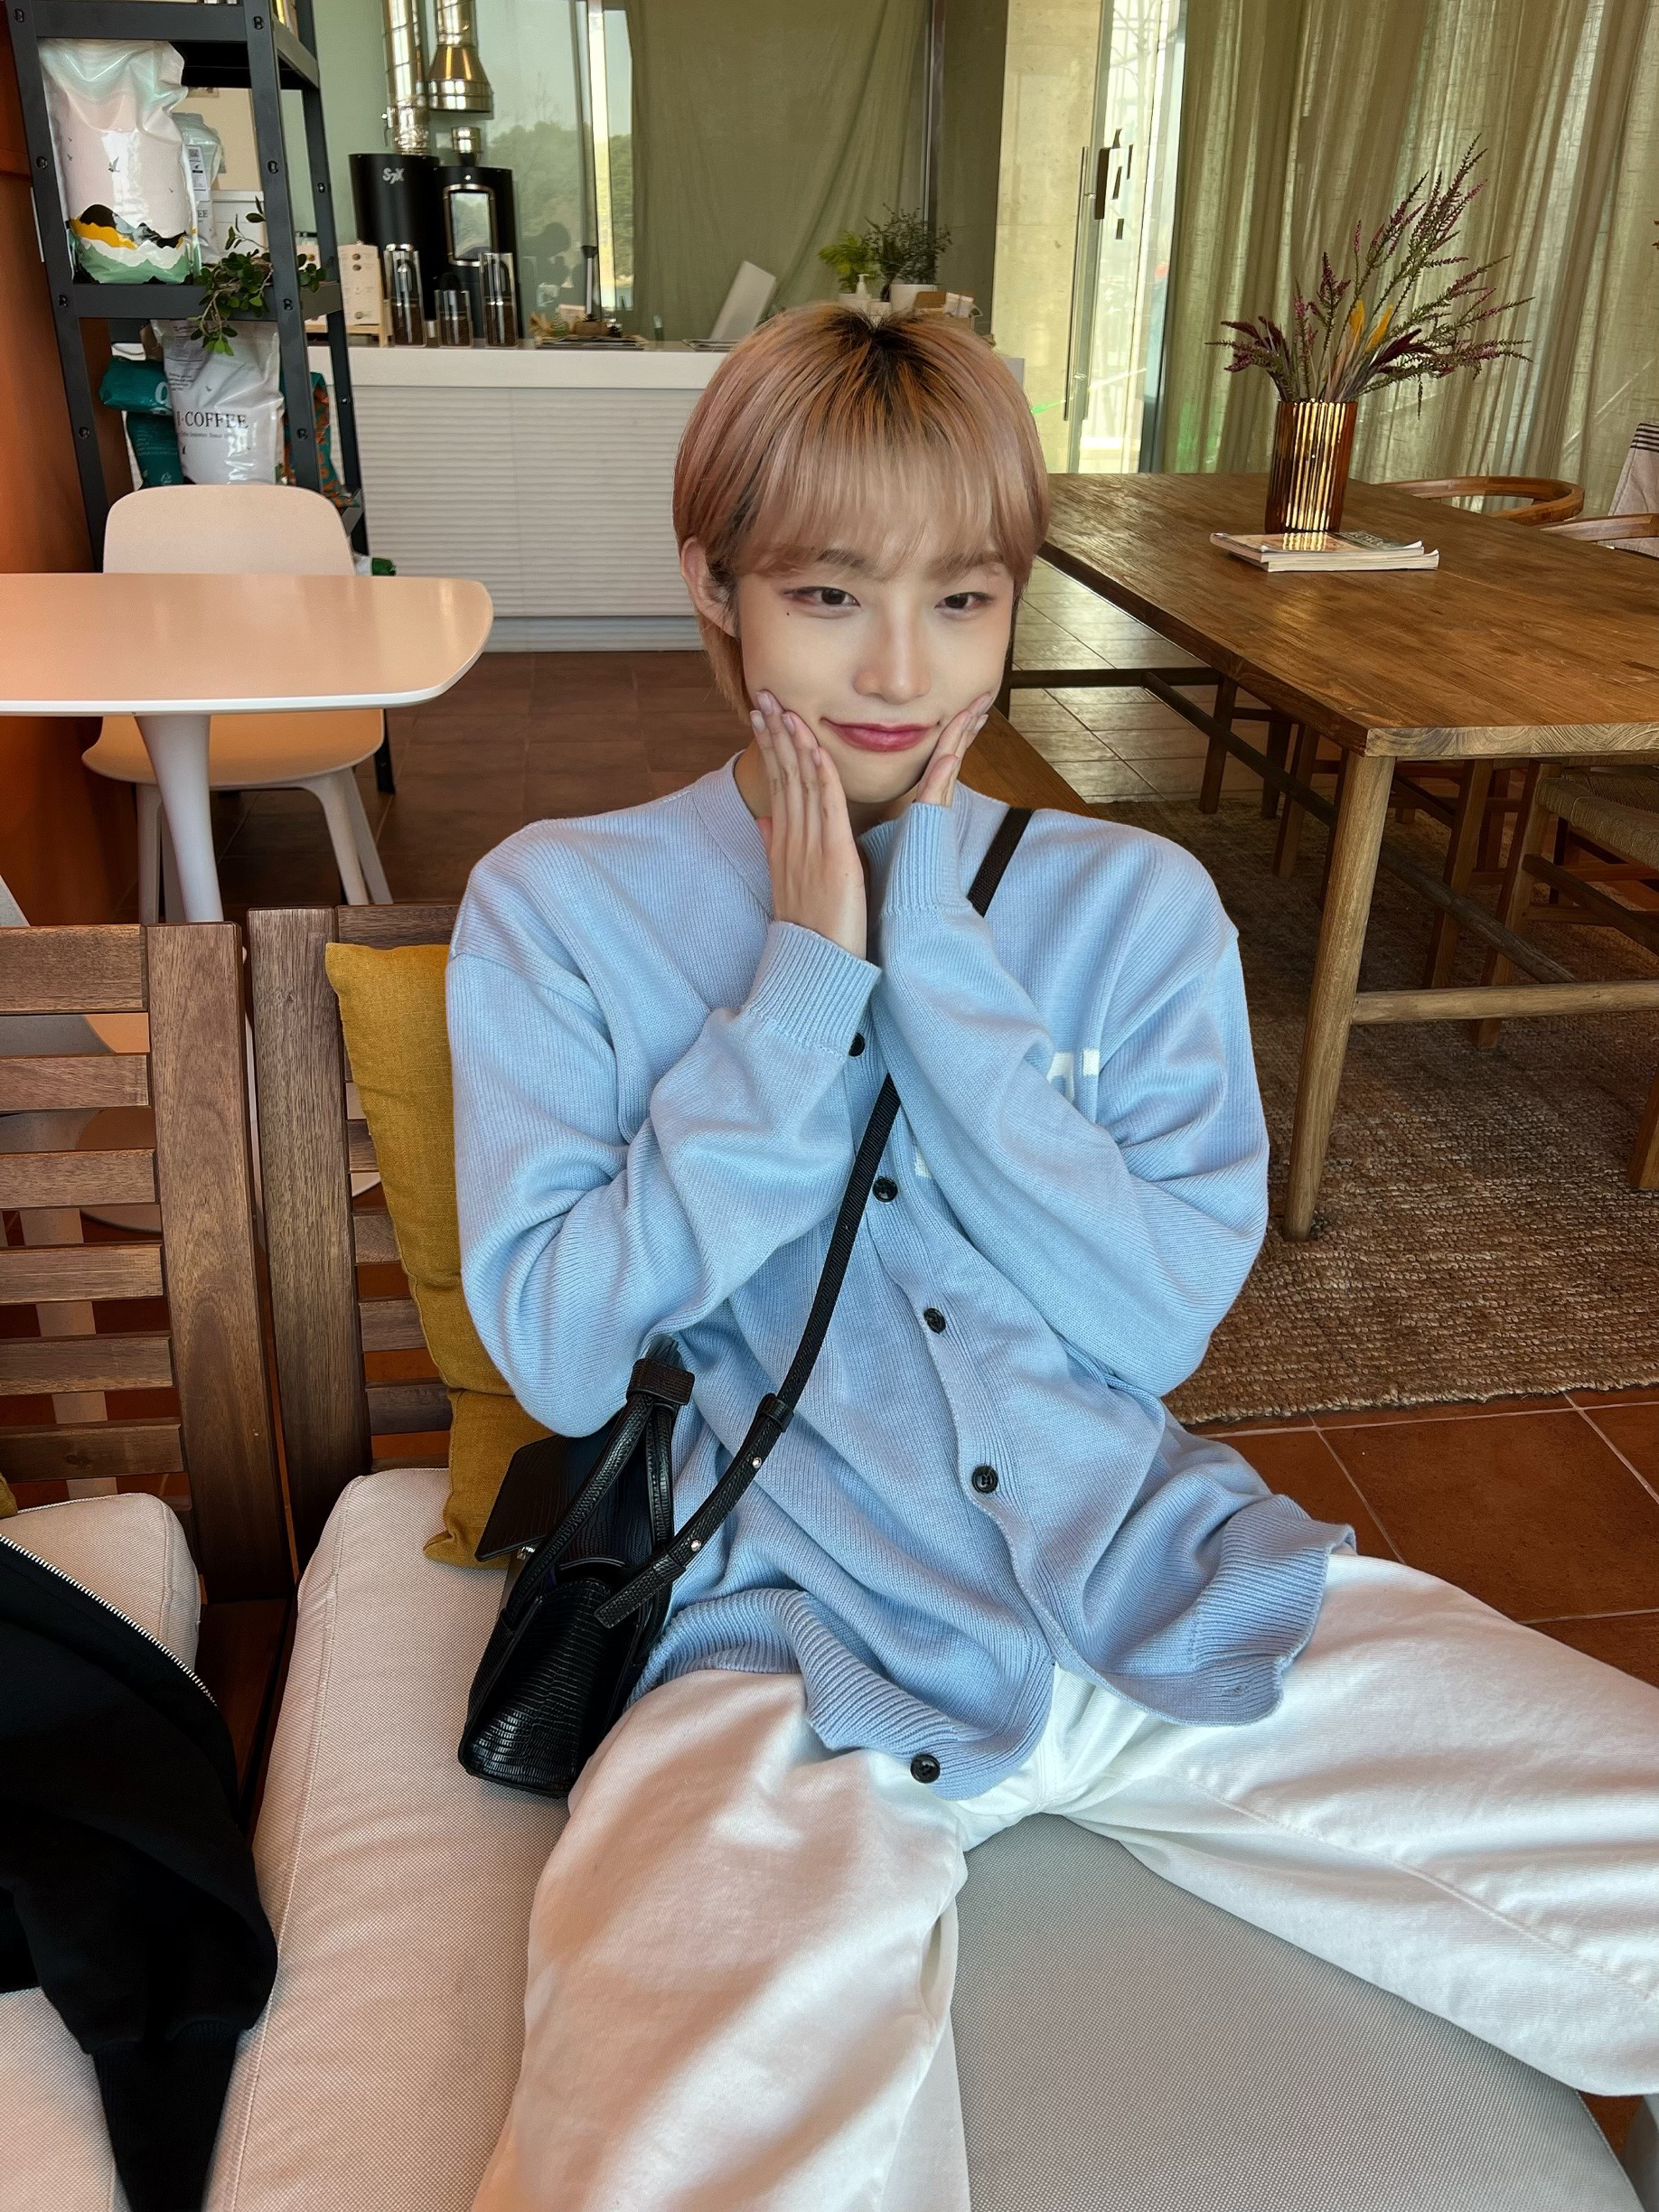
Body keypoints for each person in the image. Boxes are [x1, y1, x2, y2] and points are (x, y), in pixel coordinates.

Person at [446, 304, 1659, 2211]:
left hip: (1164, 1586)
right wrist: (801, 985)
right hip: (781, 1662)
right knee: (661, 2170)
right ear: (713, 586)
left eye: (963, 600)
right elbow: (562, 1351)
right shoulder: (559, 910)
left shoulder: (1132, 905)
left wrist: (934, 957)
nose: (900, 670)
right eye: (829, 594)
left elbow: (1152, 1320)